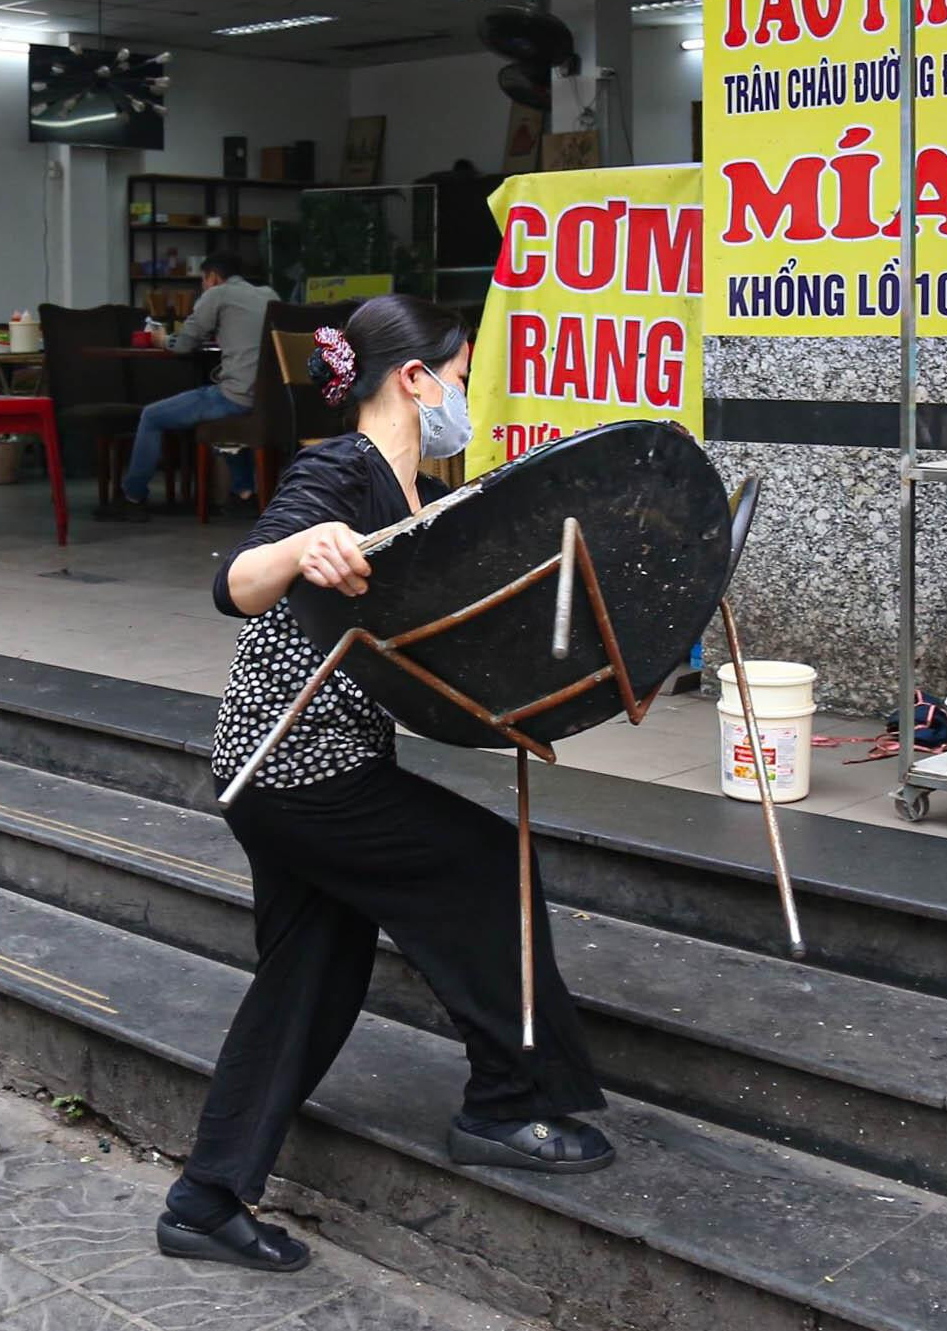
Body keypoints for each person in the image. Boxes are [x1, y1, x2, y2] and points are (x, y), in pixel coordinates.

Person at [156, 294, 610, 1275]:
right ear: (415, 378)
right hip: (299, 769)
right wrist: (295, 549)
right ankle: (505, 1104)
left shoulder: (410, 493)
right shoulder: (340, 469)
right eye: (458, 373)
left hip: (288, 765)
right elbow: (236, 578)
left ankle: (204, 1199)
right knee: (486, 866)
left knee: (310, 973)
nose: (462, 395)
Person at [105, 251, 273, 518]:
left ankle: (132, 497)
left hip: (235, 396)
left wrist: (161, 340)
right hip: (267, 399)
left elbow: (184, 343)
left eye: (202, 282)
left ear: (213, 277)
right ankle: (245, 493)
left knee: (151, 415)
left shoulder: (217, 294)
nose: (202, 288)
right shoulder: (268, 295)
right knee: (223, 414)